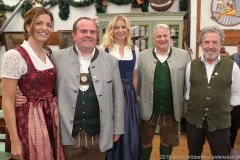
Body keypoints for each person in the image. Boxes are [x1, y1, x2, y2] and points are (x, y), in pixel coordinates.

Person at [15, 17, 125, 160]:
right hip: (67, 134)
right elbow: (39, 80)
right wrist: (19, 91)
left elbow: (118, 98)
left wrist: (117, 128)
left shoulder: (111, 61)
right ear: (74, 35)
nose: (88, 35)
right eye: (83, 31)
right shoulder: (57, 57)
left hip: (100, 134)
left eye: (92, 32)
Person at [1, 7, 65, 160]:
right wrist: (16, 142)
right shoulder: (14, 55)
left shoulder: (47, 54)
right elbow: (8, 101)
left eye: (49, 25)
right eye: (39, 23)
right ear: (28, 26)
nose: (45, 28)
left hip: (50, 116)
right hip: (30, 120)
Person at [184, 26, 240, 158]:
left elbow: (236, 95)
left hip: (220, 124)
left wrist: (221, 111)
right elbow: (187, 92)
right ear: (201, 44)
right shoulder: (191, 65)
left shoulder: (232, 66)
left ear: (221, 44)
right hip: (194, 122)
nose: (211, 46)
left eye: (215, 42)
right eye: (206, 42)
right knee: (193, 156)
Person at [137, 24, 190, 160]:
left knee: (167, 140)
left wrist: (185, 105)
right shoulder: (142, 56)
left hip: (172, 109)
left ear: (170, 37)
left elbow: (187, 83)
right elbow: (137, 82)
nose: (162, 39)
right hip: (147, 109)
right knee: (145, 141)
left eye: (165, 35)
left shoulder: (183, 55)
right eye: (159, 36)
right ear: (153, 39)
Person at [99, 14, 141, 160]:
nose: (120, 30)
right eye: (116, 27)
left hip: (129, 95)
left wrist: (133, 99)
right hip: (111, 94)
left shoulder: (135, 49)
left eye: (123, 27)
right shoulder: (103, 49)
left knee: (130, 131)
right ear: (111, 29)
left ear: (128, 30)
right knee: (112, 129)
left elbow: (134, 76)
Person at [227, 42, 240, 148]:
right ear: (238, 47)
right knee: (232, 127)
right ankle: (228, 150)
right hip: (231, 100)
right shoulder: (228, 61)